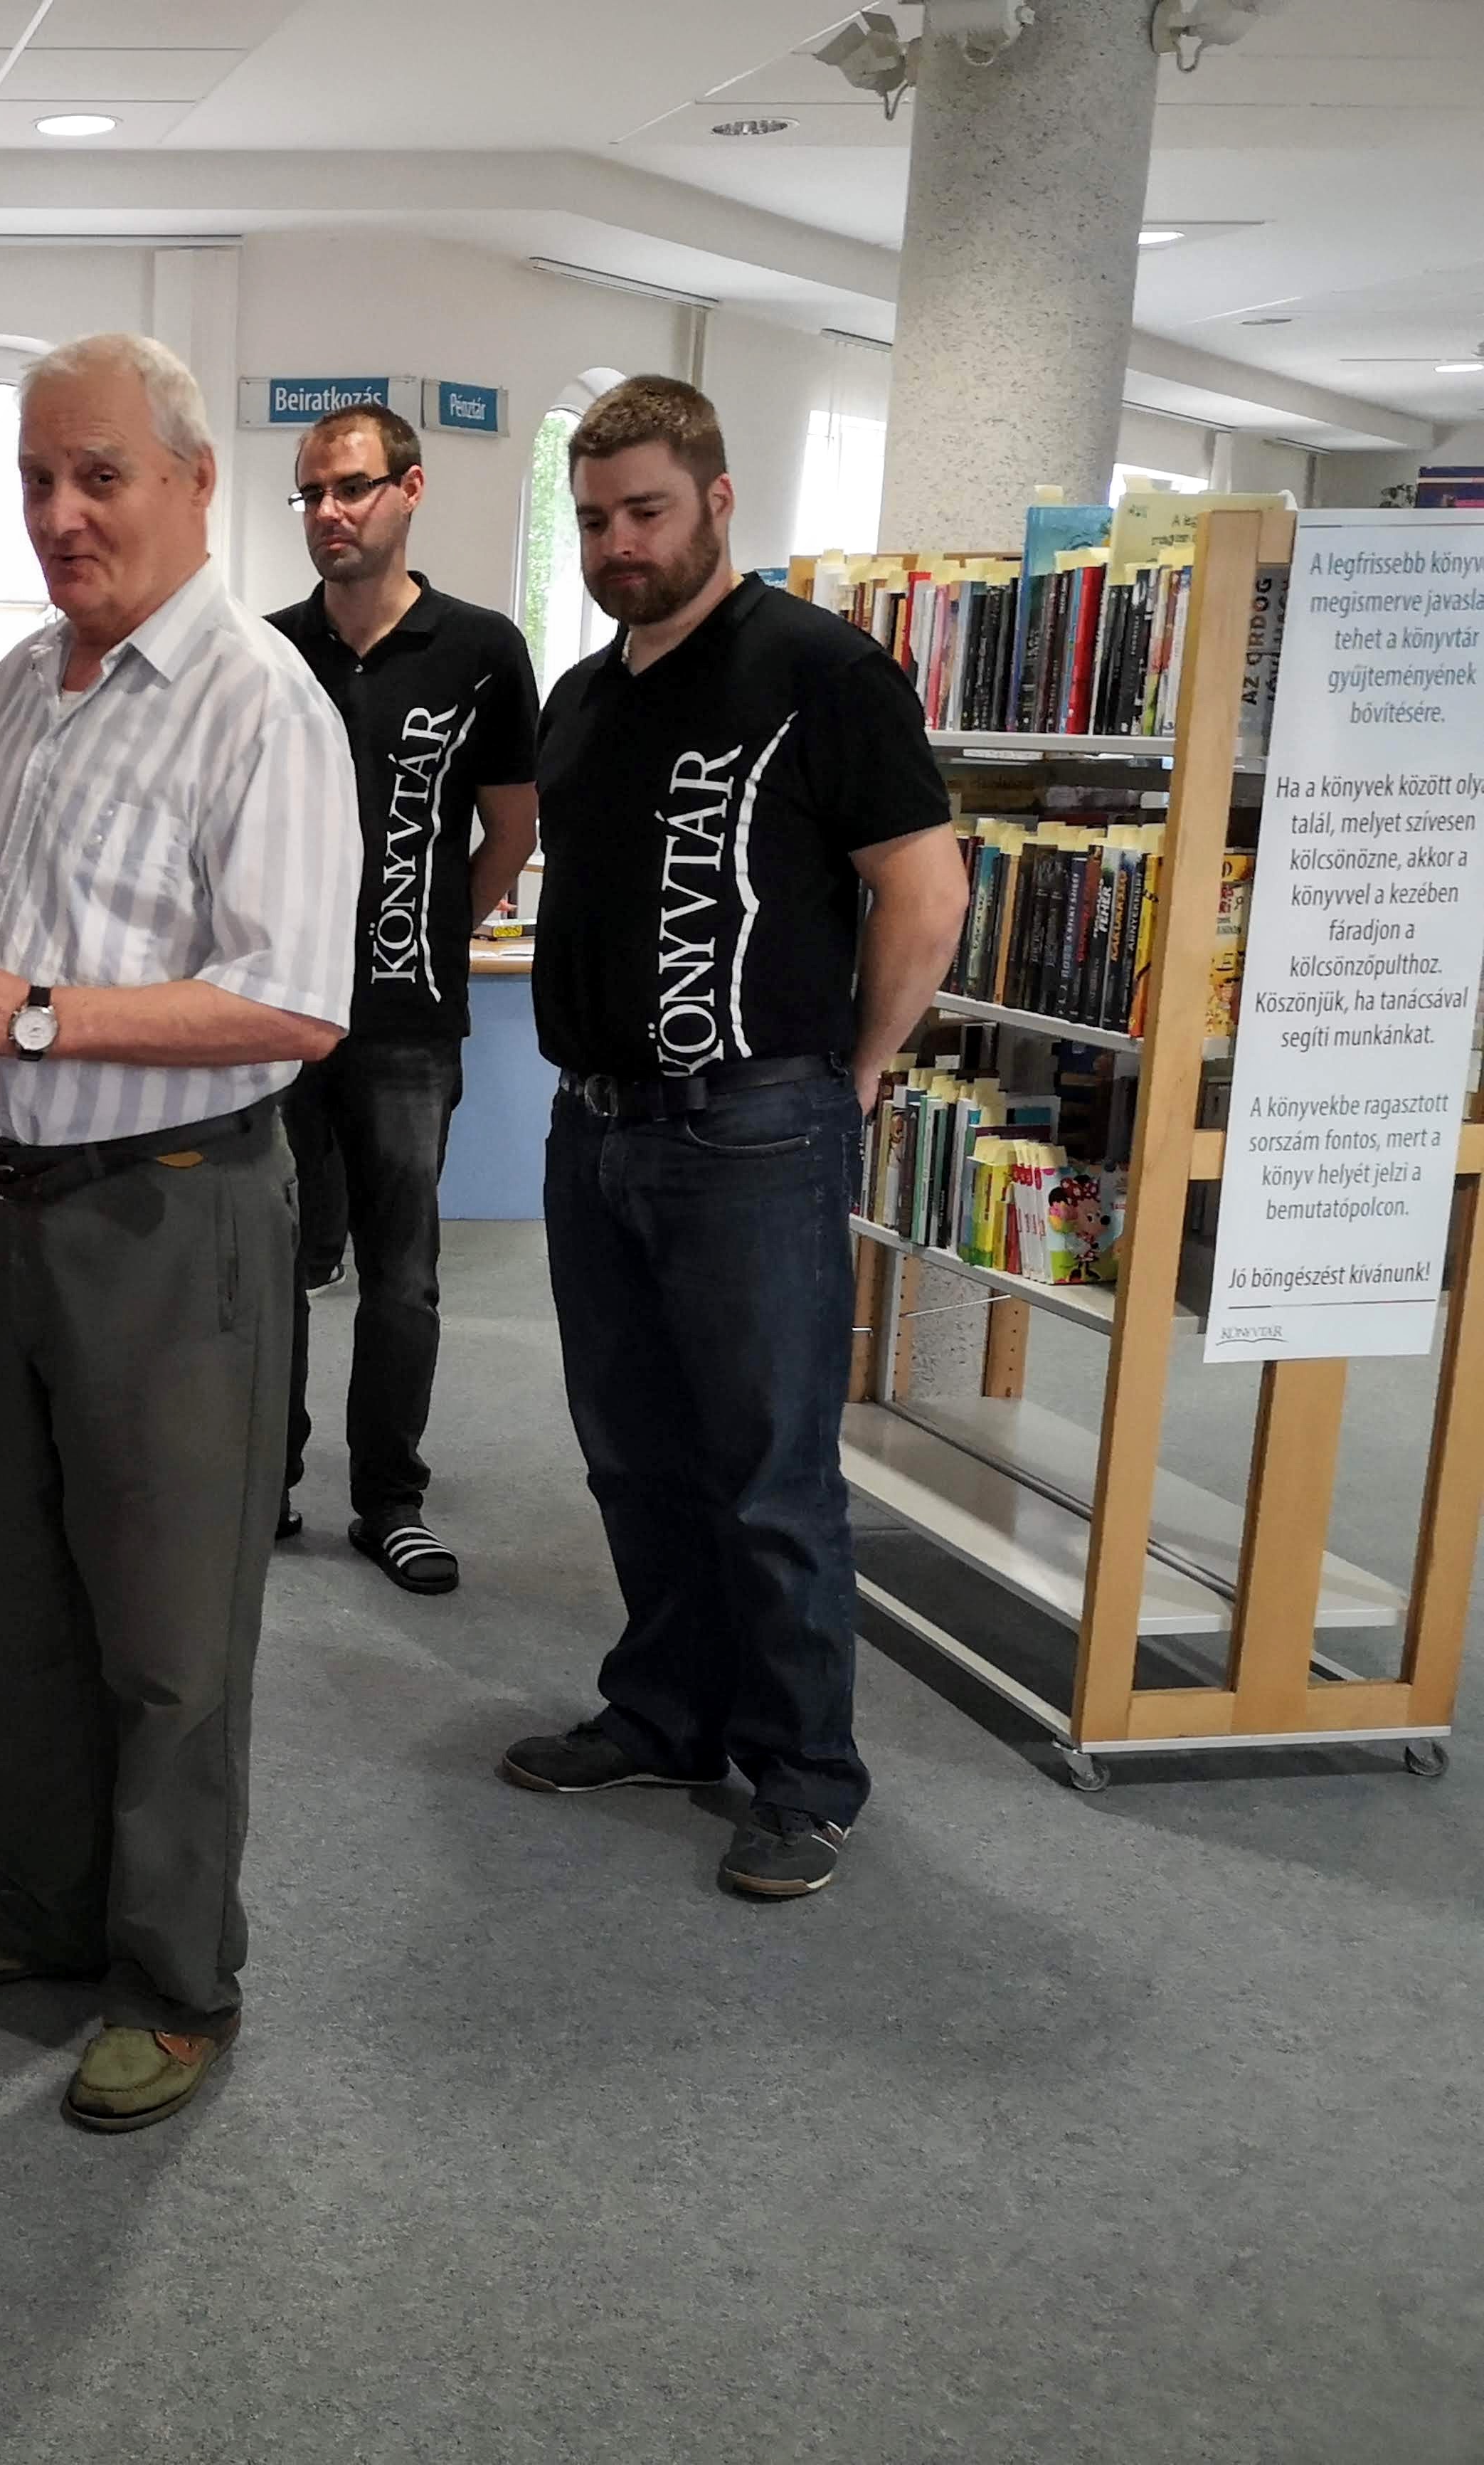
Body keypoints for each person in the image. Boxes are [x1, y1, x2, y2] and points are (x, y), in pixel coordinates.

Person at [0, 335, 355, 2136]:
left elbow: (292, 1004)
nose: (61, 514)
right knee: (7, 1602)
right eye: (35, 480)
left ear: (195, 483)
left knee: (164, 1626)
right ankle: (51, 1904)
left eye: (100, 476)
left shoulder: (259, 699)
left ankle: (172, 1974)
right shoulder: (15, 687)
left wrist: (36, 1016)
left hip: (170, 1212)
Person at [495, 376, 964, 1903]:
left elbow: (923, 889)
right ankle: (663, 1714)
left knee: (767, 1471)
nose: (616, 545)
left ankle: (804, 1774)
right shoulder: (582, 698)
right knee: (632, 1454)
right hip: (593, 1124)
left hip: (754, 1125)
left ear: (715, 501)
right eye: (592, 521)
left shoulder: (820, 669)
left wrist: (857, 1072)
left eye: (643, 511)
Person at [267, 402, 541, 1588]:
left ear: (409, 490)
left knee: (402, 1275)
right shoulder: (268, 652)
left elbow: (510, 831)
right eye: (312, 493)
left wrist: (430, 935)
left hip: (409, 1024)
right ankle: (264, 1484)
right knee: (272, 1261)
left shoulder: (480, 648)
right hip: (275, 1017)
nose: (329, 511)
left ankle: (389, 1500)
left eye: (352, 487)